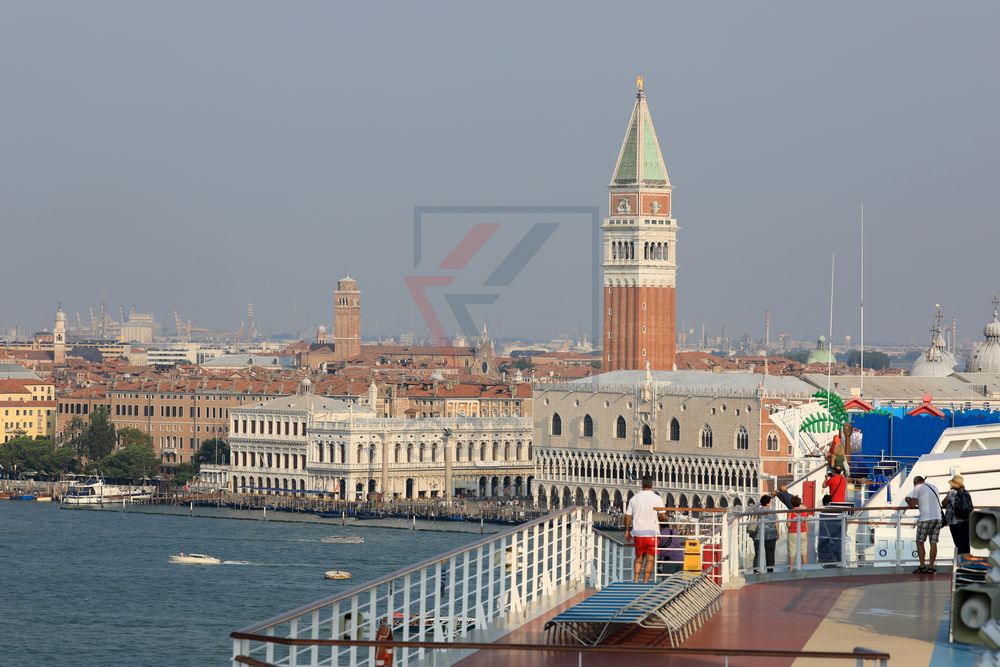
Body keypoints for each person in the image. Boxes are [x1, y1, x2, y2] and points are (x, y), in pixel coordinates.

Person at [624, 475, 666, 583]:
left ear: (642, 484)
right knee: (650, 559)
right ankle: (645, 581)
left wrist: (627, 531)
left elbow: (628, 516)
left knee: (638, 557)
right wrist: (661, 519)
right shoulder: (657, 498)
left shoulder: (634, 498)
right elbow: (663, 516)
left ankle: (636, 579)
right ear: (652, 485)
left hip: (638, 533)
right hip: (651, 533)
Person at [904, 475, 942, 574]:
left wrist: (908, 499)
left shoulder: (918, 487)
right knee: (933, 542)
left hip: (925, 518)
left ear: (915, 483)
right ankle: (931, 567)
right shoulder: (934, 487)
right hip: (938, 518)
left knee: (920, 542)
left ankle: (922, 566)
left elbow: (913, 504)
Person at [943, 474, 974, 556]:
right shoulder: (966, 492)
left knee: (958, 543)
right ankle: (967, 560)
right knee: (965, 542)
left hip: (955, 521)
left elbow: (944, 503)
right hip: (966, 519)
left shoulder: (952, 492)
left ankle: (961, 562)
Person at [748, 495, 778, 573]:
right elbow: (776, 524)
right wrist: (777, 533)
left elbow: (752, 521)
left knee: (758, 554)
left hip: (758, 535)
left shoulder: (756, 511)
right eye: (770, 502)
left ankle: (756, 570)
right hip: (770, 535)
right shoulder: (773, 512)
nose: (771, 503)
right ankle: (770, 570)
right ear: (767, 503)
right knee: (770, 554)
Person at [816, 494, 841, 565]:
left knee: (825, 564)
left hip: (825, 542)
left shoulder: (822, 513)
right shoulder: (837, 513)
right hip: (836, 541)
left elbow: (823, 528)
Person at [786, 496, 809, 567]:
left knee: (792, 554)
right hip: (802, 533)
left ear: (792, 503)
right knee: (804, 554)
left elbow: (788, 524)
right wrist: (807, 533)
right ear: (799, 503)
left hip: (792, 533)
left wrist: (787, 524)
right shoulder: (803, 512)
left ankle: (791, 570)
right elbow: (806, 523)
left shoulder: (790, 512)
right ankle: (805, 570)